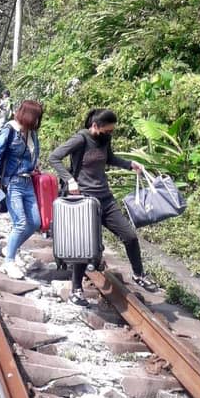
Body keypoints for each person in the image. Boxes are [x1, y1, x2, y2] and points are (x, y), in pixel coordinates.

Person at [49, 107, 154, 304]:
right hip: (84, 201)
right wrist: (70, 180)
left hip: (105, 198)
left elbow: (110, 158)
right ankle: (76, 290)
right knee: (84, 245)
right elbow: (54, 157)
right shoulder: (80, 139)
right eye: (108, 130)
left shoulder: (105, 139)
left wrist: (130, 164)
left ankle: (139, 274)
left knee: (129, 236)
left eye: (112, 130)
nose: (110, 133)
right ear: (95, 126)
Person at [0, 99, 43, 280]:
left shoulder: (31, 133)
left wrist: (34, 166)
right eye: (36, 117)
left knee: (35, 222)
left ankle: (10, 247)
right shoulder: (10, 130)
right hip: (12, 183)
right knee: (20, 223)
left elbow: (32, 154)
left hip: (28, 182)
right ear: (28, 115)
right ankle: (8, 262)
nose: (37, 121)